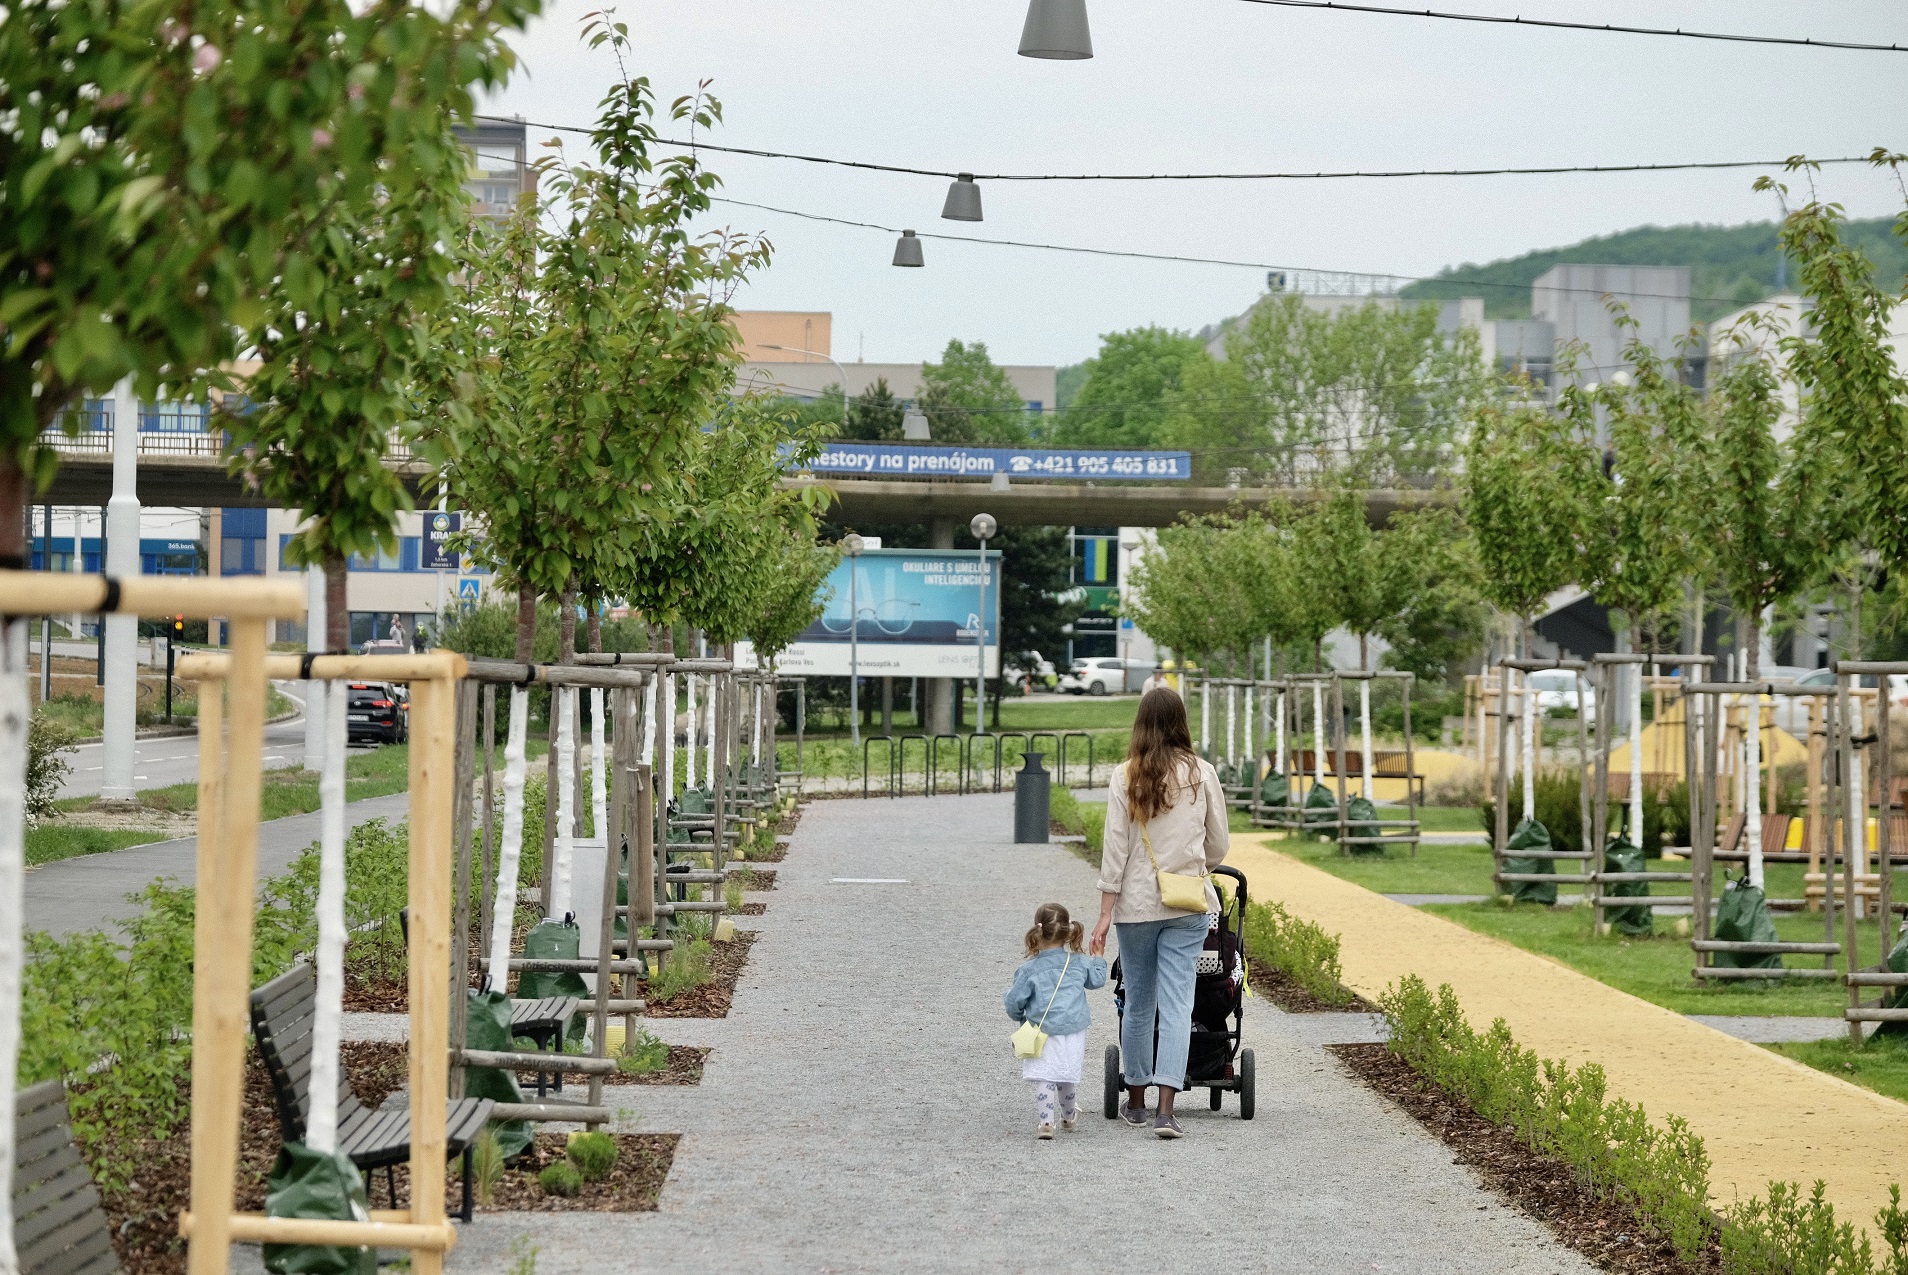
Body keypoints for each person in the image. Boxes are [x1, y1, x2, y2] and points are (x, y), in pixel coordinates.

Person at [1090, 688, 1229, 1138]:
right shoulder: (1201, 773)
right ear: (1181, 722)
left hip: (1136, 905)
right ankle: (1167, 1112)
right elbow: (1219, 844)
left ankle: (1135, 1101)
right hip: (1187, 903)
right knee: (1177, 1005)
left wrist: (1105, 911)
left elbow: (1116, 846)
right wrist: (1194, 864)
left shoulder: (1125, 775)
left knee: (1138, 1003)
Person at [1004, 903, 1107, 1139]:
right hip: (1073, 1029)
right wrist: (1098, 958)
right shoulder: (1079, 962)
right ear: (1067, 932)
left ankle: (1046, 1124)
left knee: (1045, 1075)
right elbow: (1097, 980)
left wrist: (1020, 1017)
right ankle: (1069, 1117)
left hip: (1042, 1029)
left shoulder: (1029, 970)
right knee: (1066, 1074)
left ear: (1037, 930)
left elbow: (1014, 1002)